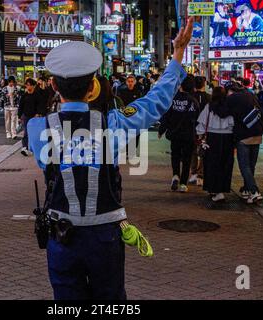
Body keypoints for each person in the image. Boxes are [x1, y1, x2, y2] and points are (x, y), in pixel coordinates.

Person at [26, 19, 194, 300]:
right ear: (93, 86)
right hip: (105, 235)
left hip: (61, 235)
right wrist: (177, 54)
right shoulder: (113, 122)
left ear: (53, 85)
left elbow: (47, 165)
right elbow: (156, 101)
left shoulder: (37, 128)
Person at [218, 82, 263, 204]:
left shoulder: (231, 98)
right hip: (257, 133)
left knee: (244, 165)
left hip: (243, 135)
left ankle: (254, 191)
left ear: (229, 91)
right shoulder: (250, 94)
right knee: (251, 165)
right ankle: (247, 190)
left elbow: (222, 113)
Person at [158, 74, 200, 193]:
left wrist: (162, 130)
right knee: (187, 159)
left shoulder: (173, 99)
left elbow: (166, 116)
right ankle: (183, 184)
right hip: (189, 135)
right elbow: (198, 119)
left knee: (175, 155)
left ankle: (175, 175)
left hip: (175, 133)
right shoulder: (194, 102)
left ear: (180, 85)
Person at [196, 86, 234, 202]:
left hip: (213, 138)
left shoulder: (209, 106)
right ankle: (221, 190)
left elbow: (202, 123)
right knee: (225, 164)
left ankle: (213, 188)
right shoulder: (229, 107)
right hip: (228, 138)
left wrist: (200, 136)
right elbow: (234, 124)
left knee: (212, 164)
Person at [189, 76, 212, 186]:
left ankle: (193, 172)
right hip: (205, 128)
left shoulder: (190, 97)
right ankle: (200, 174)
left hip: (192, 127)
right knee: (203, 151)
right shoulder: (209, 97)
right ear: (204, 84)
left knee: (192, 150)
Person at [18, 78, 46, 156]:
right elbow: (21, 106)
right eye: (26, 85)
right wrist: (19, 116)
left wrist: (38, 113)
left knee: (35, 133)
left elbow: (41, 105)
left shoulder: (37, 95)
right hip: (26, 116)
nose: (28, 86)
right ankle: (24, 147)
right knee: (26, 132)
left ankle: (34, 148)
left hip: (35, 117)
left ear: (33, 86)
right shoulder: (24, 96)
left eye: (29, 85)